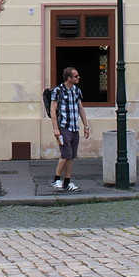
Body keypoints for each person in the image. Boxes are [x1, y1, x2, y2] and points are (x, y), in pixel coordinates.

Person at [48, 65, 90, 193]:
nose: (78, 78)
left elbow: (81, 108)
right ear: (68, 78)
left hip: (74, 127)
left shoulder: (76, 90)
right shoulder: (58, 91)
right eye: (76, 76)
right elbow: (53, 110)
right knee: (65, 154)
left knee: (71, 156)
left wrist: (86, 125)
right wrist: (55, 129)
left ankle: (67, 182)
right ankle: (56, 180)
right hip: (64, 127)